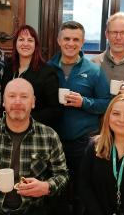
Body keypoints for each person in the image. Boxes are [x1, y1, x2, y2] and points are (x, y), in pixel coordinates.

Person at [0, 78, 69, 214]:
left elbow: (62, 175)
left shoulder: (49, 136)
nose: (17, 102)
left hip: (33, 209)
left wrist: (46, 186)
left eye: (24, 96)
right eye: (12, 96)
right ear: (3, 102)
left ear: (33, 102)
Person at [48, 21, 111, 214]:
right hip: (52, 141)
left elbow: (107, 103)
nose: (71, 43)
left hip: (83, 141)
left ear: (82, 42)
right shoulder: (48, 67)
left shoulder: (93, 70)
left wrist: (83, 102)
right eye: (66, 38)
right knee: (55, 191)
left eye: (76, 39)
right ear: (59, 40)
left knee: (82, 191)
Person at [2, 25, 61, 129]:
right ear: (15, 43)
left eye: (30, 40)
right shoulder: (8, 68)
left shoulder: (47, 72)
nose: (25, 44)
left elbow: (54, 110)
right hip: (8, 127)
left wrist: (24, 119)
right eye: (21, 40)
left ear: (35, 45)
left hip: (35, 129)